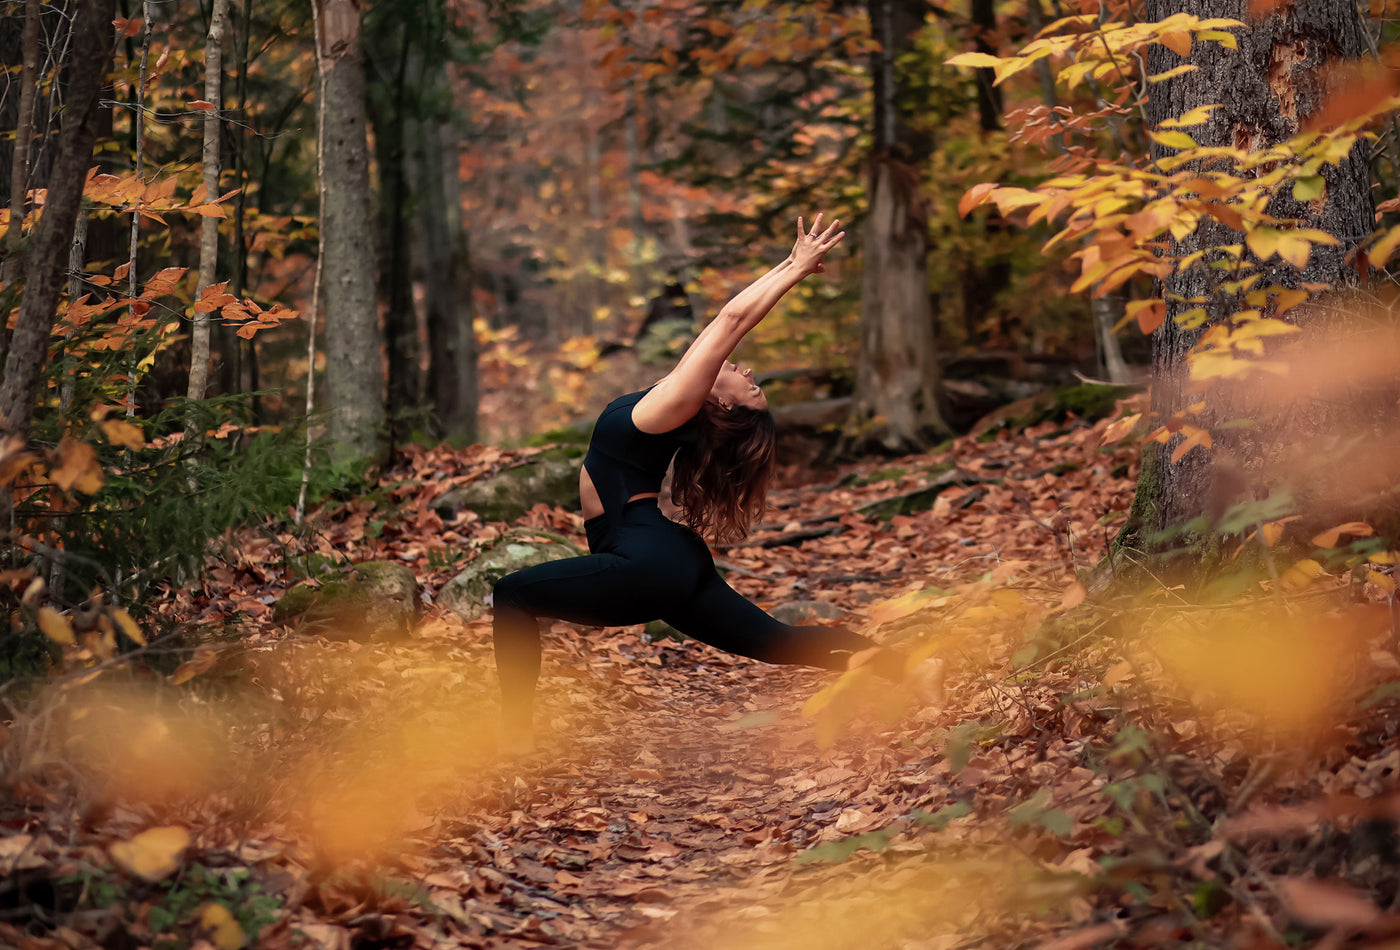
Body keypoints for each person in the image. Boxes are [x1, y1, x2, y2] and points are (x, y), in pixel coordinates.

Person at [492, 214, 931, 748]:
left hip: (645, 559)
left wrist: (793, 268)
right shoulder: (671, 399)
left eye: (752, 388)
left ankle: (508, 736)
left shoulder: (676, 405)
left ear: (718, 401)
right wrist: (788, 266)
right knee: (778, 641)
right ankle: (911, 673)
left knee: (512, 593)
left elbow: (730, 321)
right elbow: (719, 330)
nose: (747, 374)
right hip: (664, 557)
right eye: (752, 380)